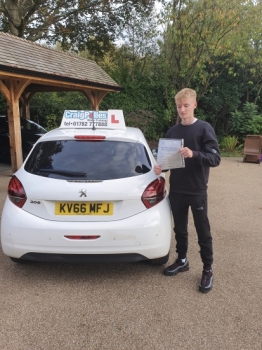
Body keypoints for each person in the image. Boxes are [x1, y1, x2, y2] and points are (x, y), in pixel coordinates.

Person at [154, 88, 220, 293]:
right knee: (180, 229)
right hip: (177, 190)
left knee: (203, 232)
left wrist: (194, 154)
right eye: (179, 106)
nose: (182, 110)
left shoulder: (204, 128)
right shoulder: (173, 132)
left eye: (186, 105)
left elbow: (215, 158)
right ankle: (182, 260)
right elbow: (168, 160)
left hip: (197, 189)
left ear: (194, 105)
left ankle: (208, 269)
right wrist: (161, 167)